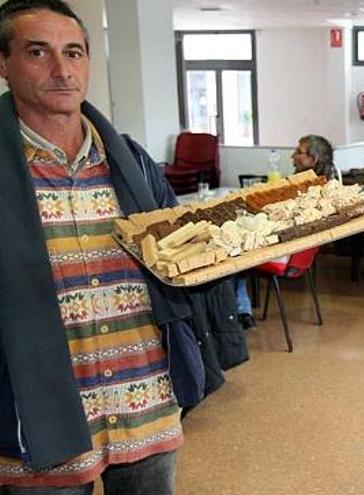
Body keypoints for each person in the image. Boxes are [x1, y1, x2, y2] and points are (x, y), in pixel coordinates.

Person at [0, 0, 186, 492]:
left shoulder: (132, 162)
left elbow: (179, 261)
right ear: (3, 63)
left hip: (145, 404)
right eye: (38, 52)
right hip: (39, 418)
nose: (62, 71)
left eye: (75, 53)